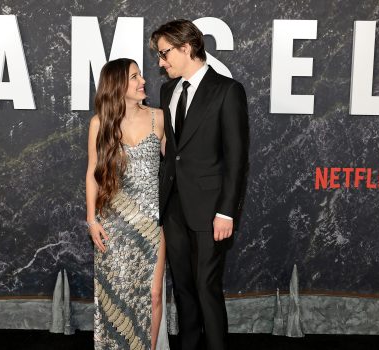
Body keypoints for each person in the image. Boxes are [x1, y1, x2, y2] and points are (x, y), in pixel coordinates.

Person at [150, 20, 249, 350]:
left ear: (186, 47)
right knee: (184, 289)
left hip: (211, 211)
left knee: (207, 288)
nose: (161, 63)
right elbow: (173, 151)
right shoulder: (168, 91)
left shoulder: (227, 91)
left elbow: (237, 159)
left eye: (164, 54)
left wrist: (227, 211)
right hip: (174, 207)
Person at [85, 58, 169, 350]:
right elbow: (93, 172)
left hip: (151, 223)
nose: (143, 80)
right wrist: (92, 220)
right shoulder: (100, 123)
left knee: (154, 294)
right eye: (134, 77)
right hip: (114, 222)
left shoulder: (159, 118)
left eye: (140, 75)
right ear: (118, 85)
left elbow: (175, 168)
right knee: (116, 298)